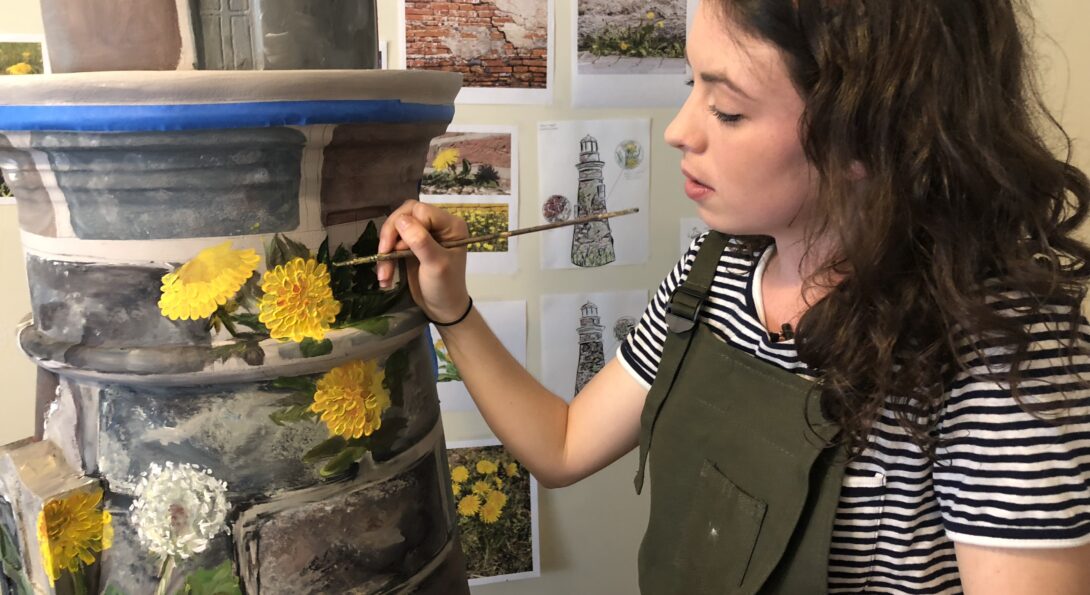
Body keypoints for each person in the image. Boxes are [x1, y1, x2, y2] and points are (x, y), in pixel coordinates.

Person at [378, 0, 1090, 592]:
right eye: (692, 86)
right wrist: (452, 306)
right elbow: (561, 446)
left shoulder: (1000, 348)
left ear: (868, 129)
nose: (679, 130)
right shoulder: (714, 269)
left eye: (727, 108)